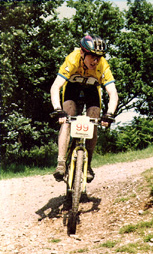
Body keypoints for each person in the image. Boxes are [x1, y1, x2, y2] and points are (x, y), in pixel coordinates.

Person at [50, 35, 119, 182]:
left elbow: (113, 93)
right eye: (93, 56)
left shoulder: (103, 66)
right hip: (72, 89)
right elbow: (56, 86)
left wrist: (109, 114)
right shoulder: (72, 59)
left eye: (99, 57)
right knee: (67, 118)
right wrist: (58, 110)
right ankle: (61, 163)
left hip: (92, 91)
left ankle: (88, 165)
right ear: (82, 53)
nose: (96, 61)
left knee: (94, 118)